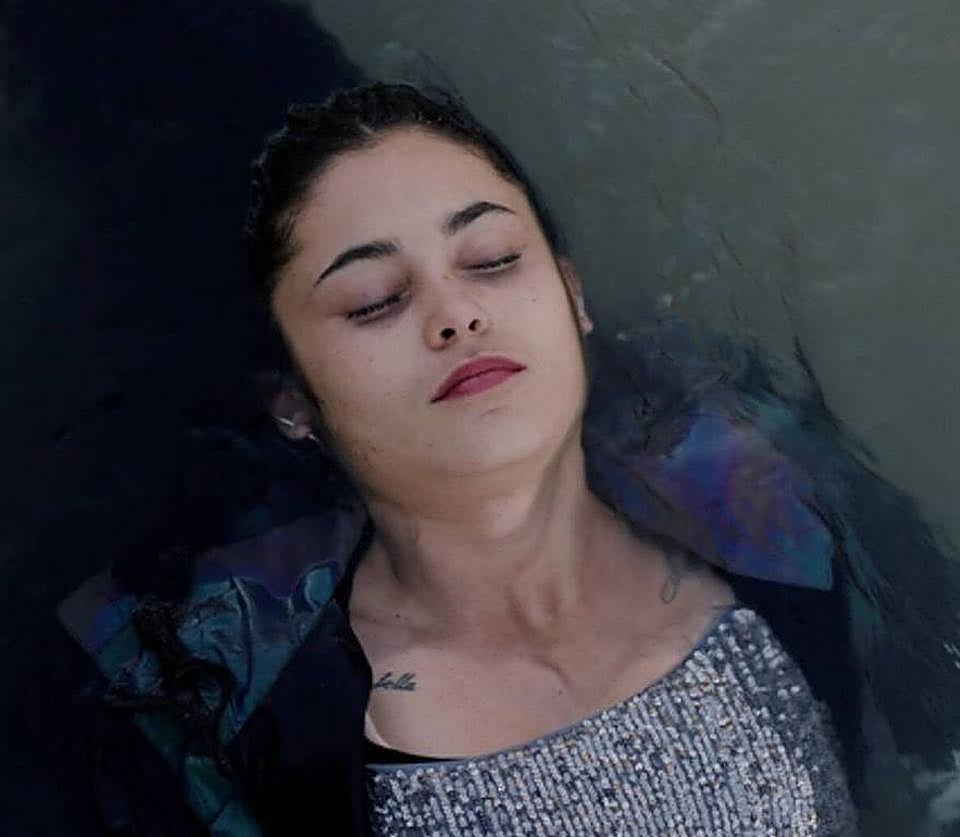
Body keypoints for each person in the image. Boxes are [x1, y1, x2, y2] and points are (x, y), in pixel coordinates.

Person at [57, 81, 864, 836]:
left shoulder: (788, 516)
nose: (456, 313)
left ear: (574, 295)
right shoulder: (220, 714)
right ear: (293, 401)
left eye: (492, 258)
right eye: (375, 300)